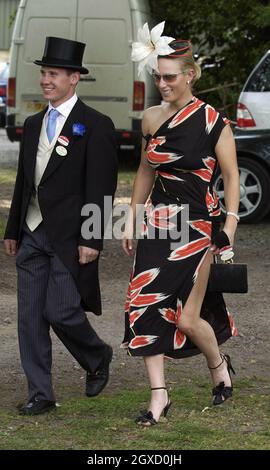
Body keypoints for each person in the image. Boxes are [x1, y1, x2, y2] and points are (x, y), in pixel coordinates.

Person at [122, 22, 240, 426]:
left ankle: (218, 365)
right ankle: (159, 396)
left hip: (198, 229)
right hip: (157, 224)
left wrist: (229, 230)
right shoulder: (151, 119)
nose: (162, 83)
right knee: (141, 303)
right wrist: (130, 219)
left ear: (190, 74)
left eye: (170, 76)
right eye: (158, 75)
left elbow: (231, 178)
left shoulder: (213, 122)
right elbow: (143, 171)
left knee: (187, 319)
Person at [4, 37, 118, 415]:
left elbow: (101, 187)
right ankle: (41, 393)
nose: (45, 80)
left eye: (52, 74)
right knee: (30, 318)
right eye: (43, 73)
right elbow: (25, 180)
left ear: (73, 79)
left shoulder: (96, 125)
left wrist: (93, 238)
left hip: (71, 237)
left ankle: (97, 355)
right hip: (32, 231)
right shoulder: (34, 123)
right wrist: (11, 229)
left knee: (62, 311)